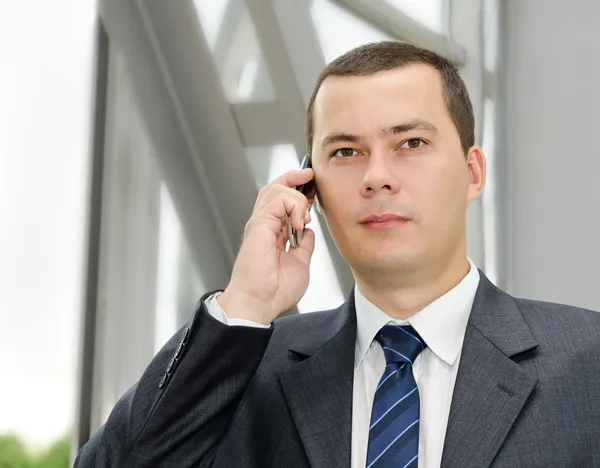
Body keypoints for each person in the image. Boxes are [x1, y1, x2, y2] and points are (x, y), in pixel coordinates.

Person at [75, 41, 600, 468]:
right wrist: (244, 305)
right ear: (310, 190)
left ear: (473, 172)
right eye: (346, 152)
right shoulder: (245, 370)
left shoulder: (587, 362)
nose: (376, 177)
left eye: (411, 143)